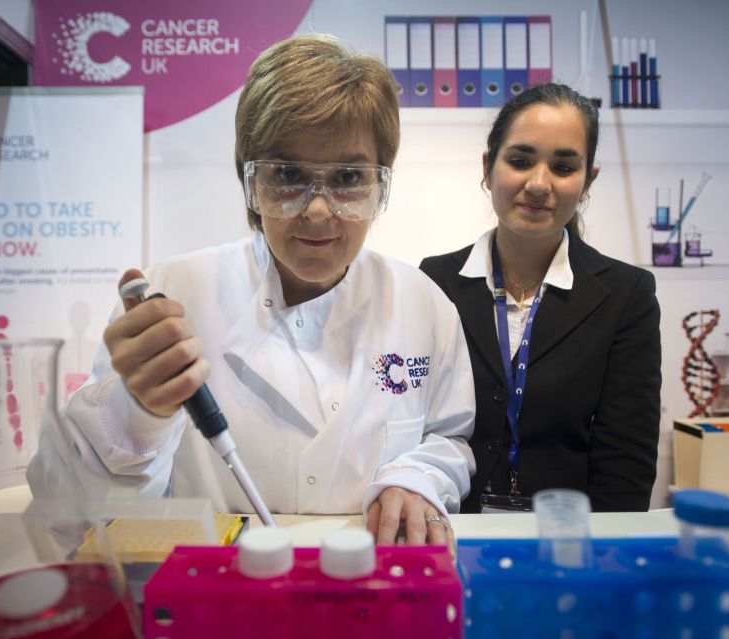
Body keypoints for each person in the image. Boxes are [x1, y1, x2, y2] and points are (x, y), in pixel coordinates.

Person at [31, 35, 475, 546]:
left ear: (381, 185)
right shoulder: (174, 294)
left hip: (364, 584)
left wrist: (417, 479)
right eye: (288, 174)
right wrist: (136, 414)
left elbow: (448, 438)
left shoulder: (422, 303)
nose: (316, 210)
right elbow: (63, 508)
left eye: (349, 176)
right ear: (249, 180)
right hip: (214, 592)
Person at [420, 83, 661, 513]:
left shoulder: (627, 296)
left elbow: (626, 462)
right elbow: (415, 428)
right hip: (450, 526)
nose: (538, 183)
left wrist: (600, 559)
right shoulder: (434, 281)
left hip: (566, 541)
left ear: (588, 181)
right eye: (520, 160)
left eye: (564, 166)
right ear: (488, 167)